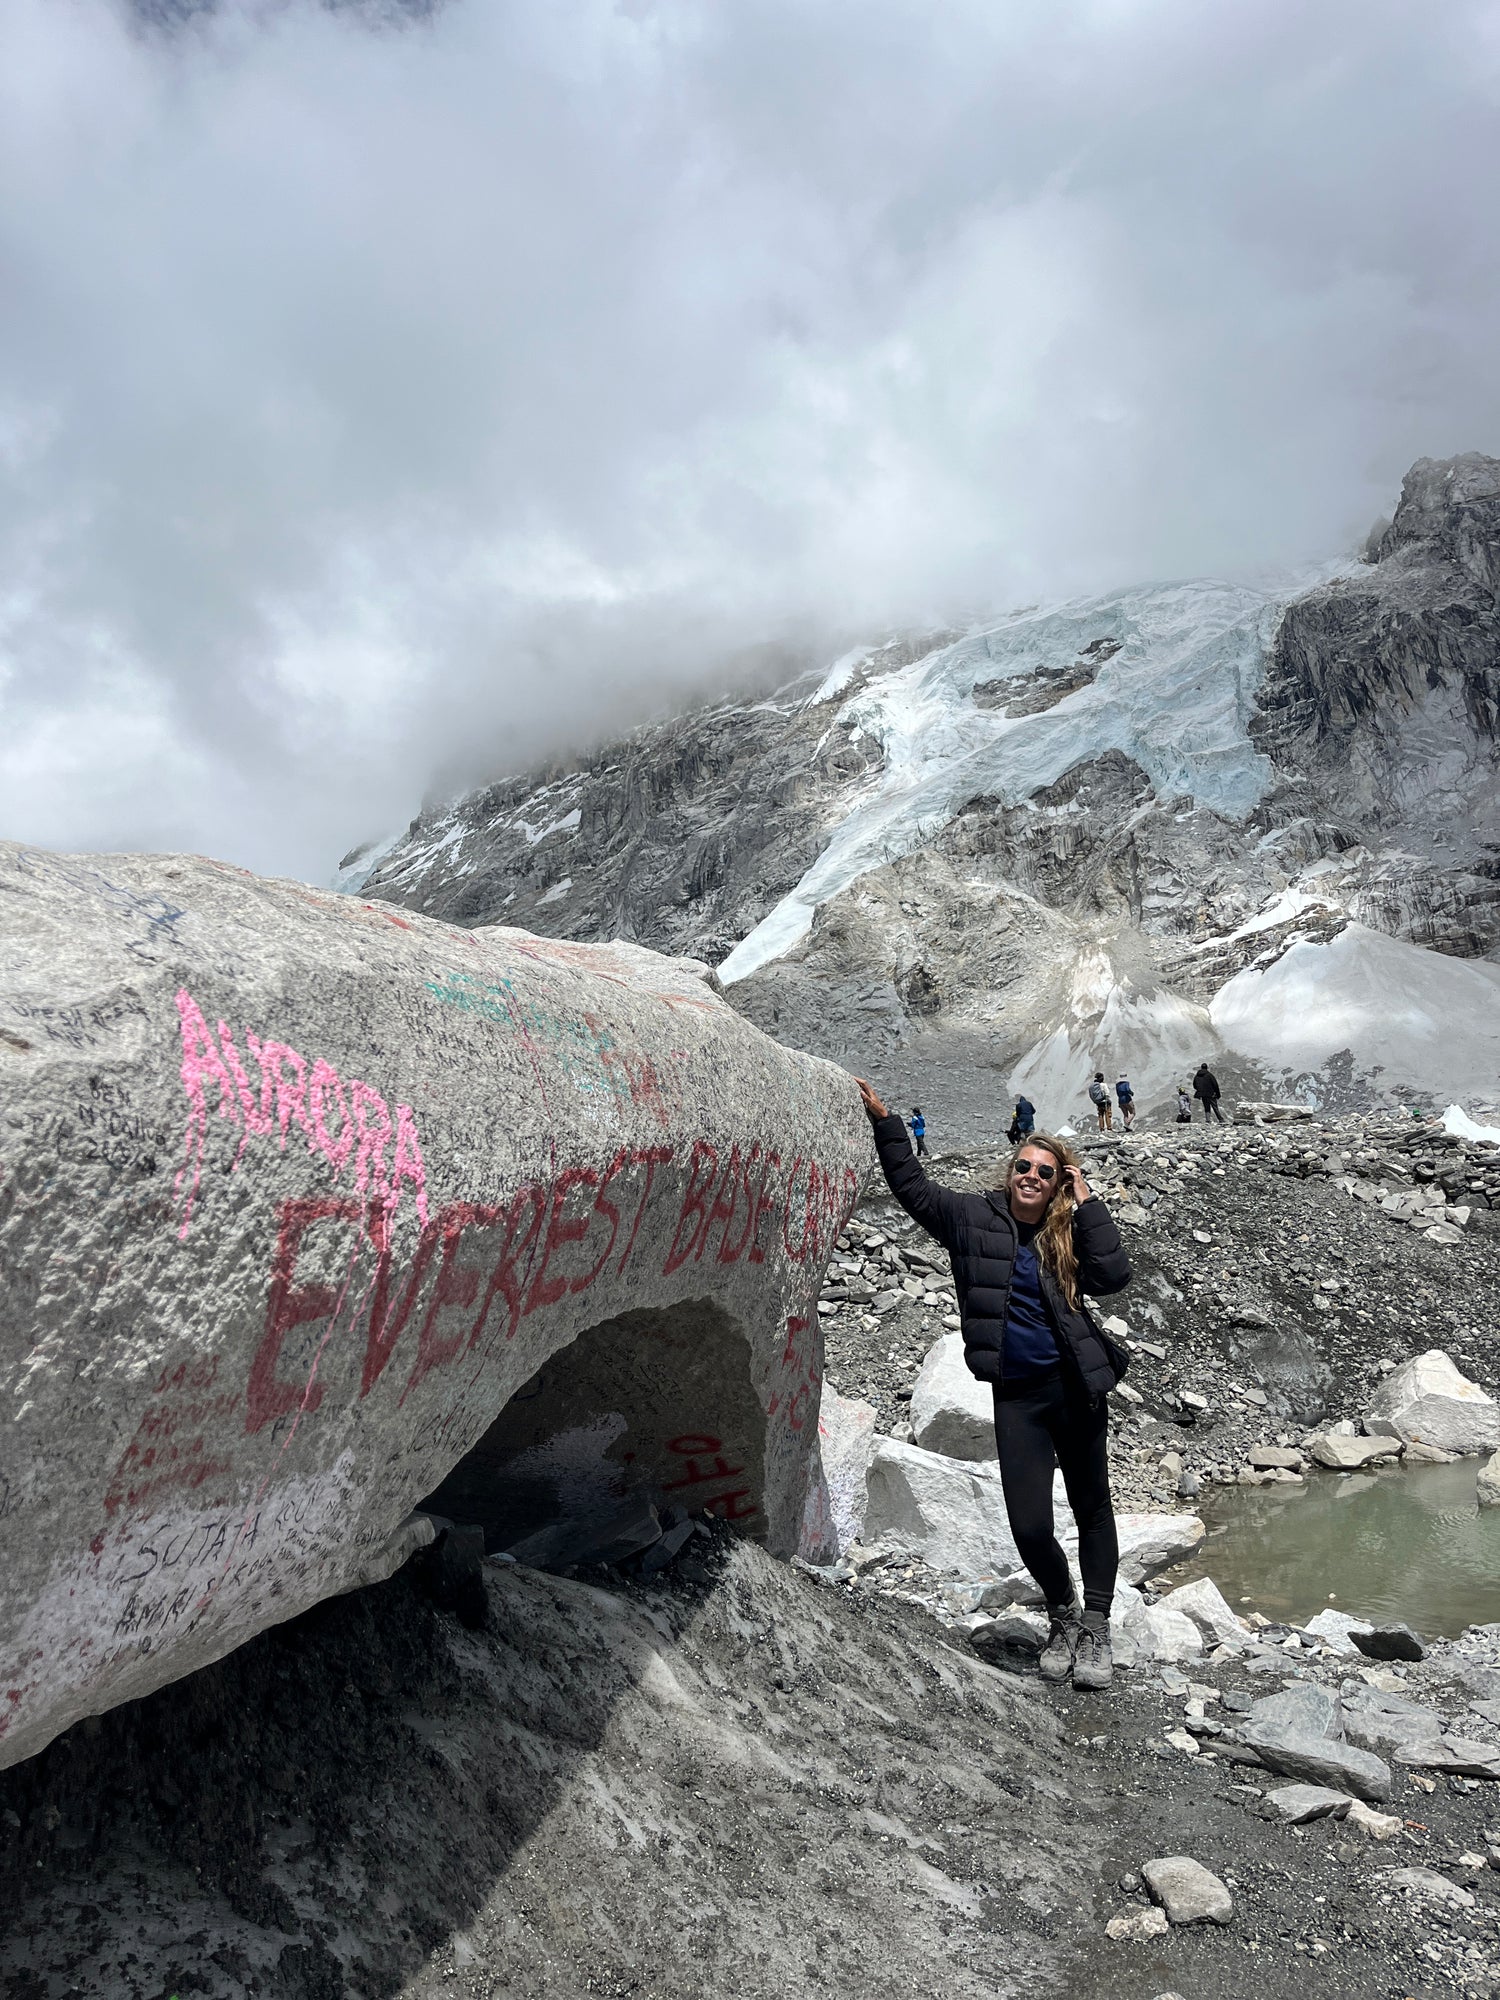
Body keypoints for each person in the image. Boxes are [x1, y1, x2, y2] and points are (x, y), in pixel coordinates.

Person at [854, 1077, 1132, 1691]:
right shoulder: (972, 1217)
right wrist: (887, 1123)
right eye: (1024, 1167)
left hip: (1076, 1387)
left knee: (1092, 1510)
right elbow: (913, 1190)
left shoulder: (1068, 1229)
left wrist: (1085, 1201)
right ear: (1011, 1171)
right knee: (1030, 1525)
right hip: (1018, 1397)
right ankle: (1061, 1609)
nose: (1031, 1176)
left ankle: (1096, 1625)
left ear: (1059, 1182)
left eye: (1046, 1171)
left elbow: (1114, 1274)